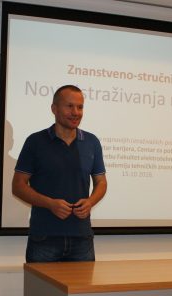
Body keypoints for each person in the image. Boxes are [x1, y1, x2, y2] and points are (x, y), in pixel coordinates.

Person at [12, 84, 107, 262]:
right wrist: (50, 204)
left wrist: (90, 202)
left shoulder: (92, 142)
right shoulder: (35, 142)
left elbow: (101, 182)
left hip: (82, 238)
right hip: (44, 238)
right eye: (69, 106)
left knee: (84, 283)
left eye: (80, 107)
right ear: (54, 109)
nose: (75, 112)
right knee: (40, 283)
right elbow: (18, 186)